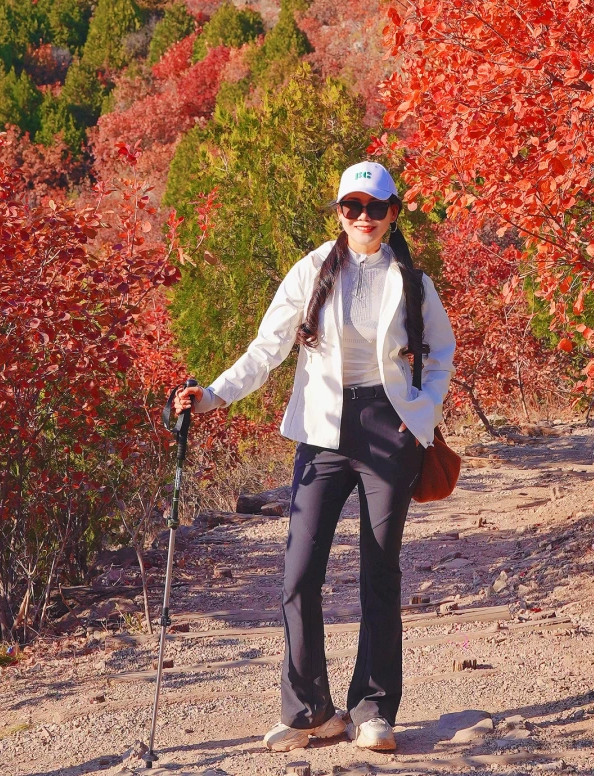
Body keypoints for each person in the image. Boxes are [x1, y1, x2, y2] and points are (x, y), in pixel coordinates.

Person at [174, 160, 455, 755]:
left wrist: (420, 417)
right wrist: (214, 395)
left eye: (374, 208)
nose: (362, 218)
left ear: (392, 213)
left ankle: (374, 710)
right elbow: (268, 345)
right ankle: (310, 712)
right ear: (339, 212)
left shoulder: (413, 280)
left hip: (388, 428)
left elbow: (440, 354)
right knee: (299, 575)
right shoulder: (311, 271)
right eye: (351, 207)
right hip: (323, 432)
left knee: (380, 571)